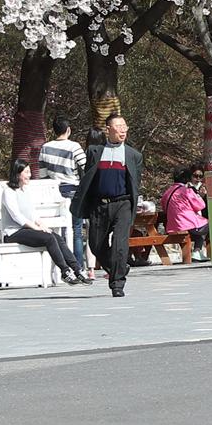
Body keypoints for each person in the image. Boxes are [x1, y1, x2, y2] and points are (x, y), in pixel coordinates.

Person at [73, 113, 142, 297]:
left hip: (123, 203)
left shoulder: (133, 155)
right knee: (96, 244)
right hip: (99, 205)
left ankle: (117, 284)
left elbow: (135, 182)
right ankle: (117, 267)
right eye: (118, 126)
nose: (122, 130)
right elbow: (87, 178)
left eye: (124, 126)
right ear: (108, 129)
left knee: (120, 245)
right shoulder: (95, 152)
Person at [2, 160, 88, 284]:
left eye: (29, 171)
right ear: (17, 174)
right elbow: (17, 216)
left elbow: (32, 214)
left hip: (27, 230)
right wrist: (36, 228)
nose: (29, 175)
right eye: (26, 172)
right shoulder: (8, 192)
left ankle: (77, 269)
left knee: (56, 237)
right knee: (49, 238)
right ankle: (65, 271)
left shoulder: (25, 191)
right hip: (13, 232)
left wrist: (42, 225)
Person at [38, 116, 89, 277]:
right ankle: (78, 266)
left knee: (59, 231)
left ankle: (64, 266)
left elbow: (42, 174)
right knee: (76, 230)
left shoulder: (45, 147)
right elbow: (86, 166)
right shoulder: (74, 146)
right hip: (73, 190)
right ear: (68, 130)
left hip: (53, 192)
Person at [158, 166, 208, 259]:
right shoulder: (186, 191)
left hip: (172, 225)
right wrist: (200, 196)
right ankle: (197, 251)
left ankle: (197, 251)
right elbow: (201, 205)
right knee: (210, 225)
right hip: (187, 224)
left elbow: (164, 207)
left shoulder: (168, 191)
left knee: (199, 229)